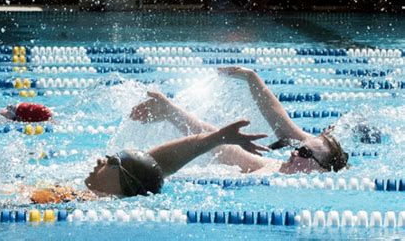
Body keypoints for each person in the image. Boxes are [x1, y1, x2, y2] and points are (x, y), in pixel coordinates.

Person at [130, 66, 349, 175]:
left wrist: (172, 112)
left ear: (320, 170)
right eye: (300, 148)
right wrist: (252, 77)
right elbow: (278, 118)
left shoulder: (280, 173)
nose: (294, 151)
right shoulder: (278, 167)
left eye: (303, 153)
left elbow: (224, 148)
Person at [30, 119, 268, 203]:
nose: (101, 160)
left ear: (125, 182)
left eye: (112, 161)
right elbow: (156, 164)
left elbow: (148, 167)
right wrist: (215, 138)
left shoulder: (76, 202)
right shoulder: (127, 188)